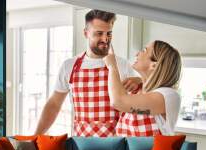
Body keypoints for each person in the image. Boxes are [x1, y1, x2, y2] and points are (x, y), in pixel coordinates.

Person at [34, 9, 141, 137]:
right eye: (99, 33)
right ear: (86, 33)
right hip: (81, 146)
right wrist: (35, 136)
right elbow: (54, 104)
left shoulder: (122, 65)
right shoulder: (69, 66)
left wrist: (141, 81)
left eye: (109, 33)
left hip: (116, 146)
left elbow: (145, 102)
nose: (105, 39)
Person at [103, 40, 181, 136]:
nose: (137, 54)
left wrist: (112, 66)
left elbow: (118, 102)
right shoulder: (137, 90)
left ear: (154, 65)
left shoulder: (168, 95)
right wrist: (141, 81)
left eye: (144, 50)